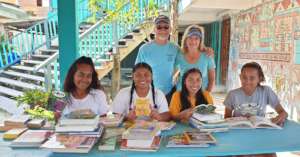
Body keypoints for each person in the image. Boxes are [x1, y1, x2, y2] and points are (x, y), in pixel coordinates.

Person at [135, 15, 214, 103]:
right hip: (149, 92)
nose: (163, 30)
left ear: (170, 29)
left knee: (169, 116)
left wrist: (205, 49)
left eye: (166, 27)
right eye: (159, 27)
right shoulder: (144, 49)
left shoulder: (175, 48)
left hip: (169, 93)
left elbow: (190, 51)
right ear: (154, 29)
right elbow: (136, 72)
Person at [224, 62, 288, 157]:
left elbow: (283, 113)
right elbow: (226, 118)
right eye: (244, 77)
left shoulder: (266, 91)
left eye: (252, 78)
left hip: (261, 137)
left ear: (260, 78)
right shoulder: (232, 94)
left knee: (270, 154)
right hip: (239, 137)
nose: (247, 81)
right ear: (240, 77)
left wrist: (279, 118)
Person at [175, 24, 216, 92]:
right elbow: (172, 70)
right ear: (185, 39)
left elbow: (212, 80)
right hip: (181, 95)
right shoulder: (179, 55)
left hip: (201, 96)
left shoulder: (207, 55)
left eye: (196, 38)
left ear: (200, 41)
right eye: (190, 38)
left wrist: (206, 96)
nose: (193, 41)